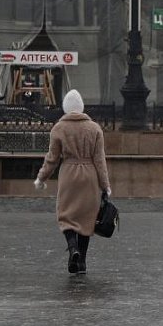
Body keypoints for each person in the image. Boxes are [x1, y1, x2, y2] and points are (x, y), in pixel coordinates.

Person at [34, 89, 111, 275]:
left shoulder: (59, 128)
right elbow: (100, 160)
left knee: (66, 215)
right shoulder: (94, 128)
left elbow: (52, 158)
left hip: (68, 174)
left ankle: (72, 248)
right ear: (82, 107)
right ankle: (82, 263)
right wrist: (105, 184)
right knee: (87, 218)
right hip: (90, 176)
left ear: (65, 108)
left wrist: (41, 178)